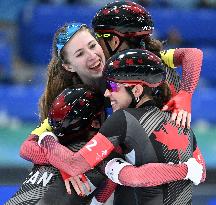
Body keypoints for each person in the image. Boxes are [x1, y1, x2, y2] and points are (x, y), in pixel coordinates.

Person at [21, 49, 206, 205]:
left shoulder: (122, 119)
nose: (108, 93)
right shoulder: (182, 122)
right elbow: (201, 172)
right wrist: (187, 170)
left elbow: (74, 164)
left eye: (113, 86)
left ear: (137, 90)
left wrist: (47, 138)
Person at [91, 0, 203, 128]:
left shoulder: (155, 59)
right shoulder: (154, 58)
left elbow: (193, 54)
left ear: (114, 42)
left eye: (99, 38)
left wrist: (185, 94)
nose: (97, 46)